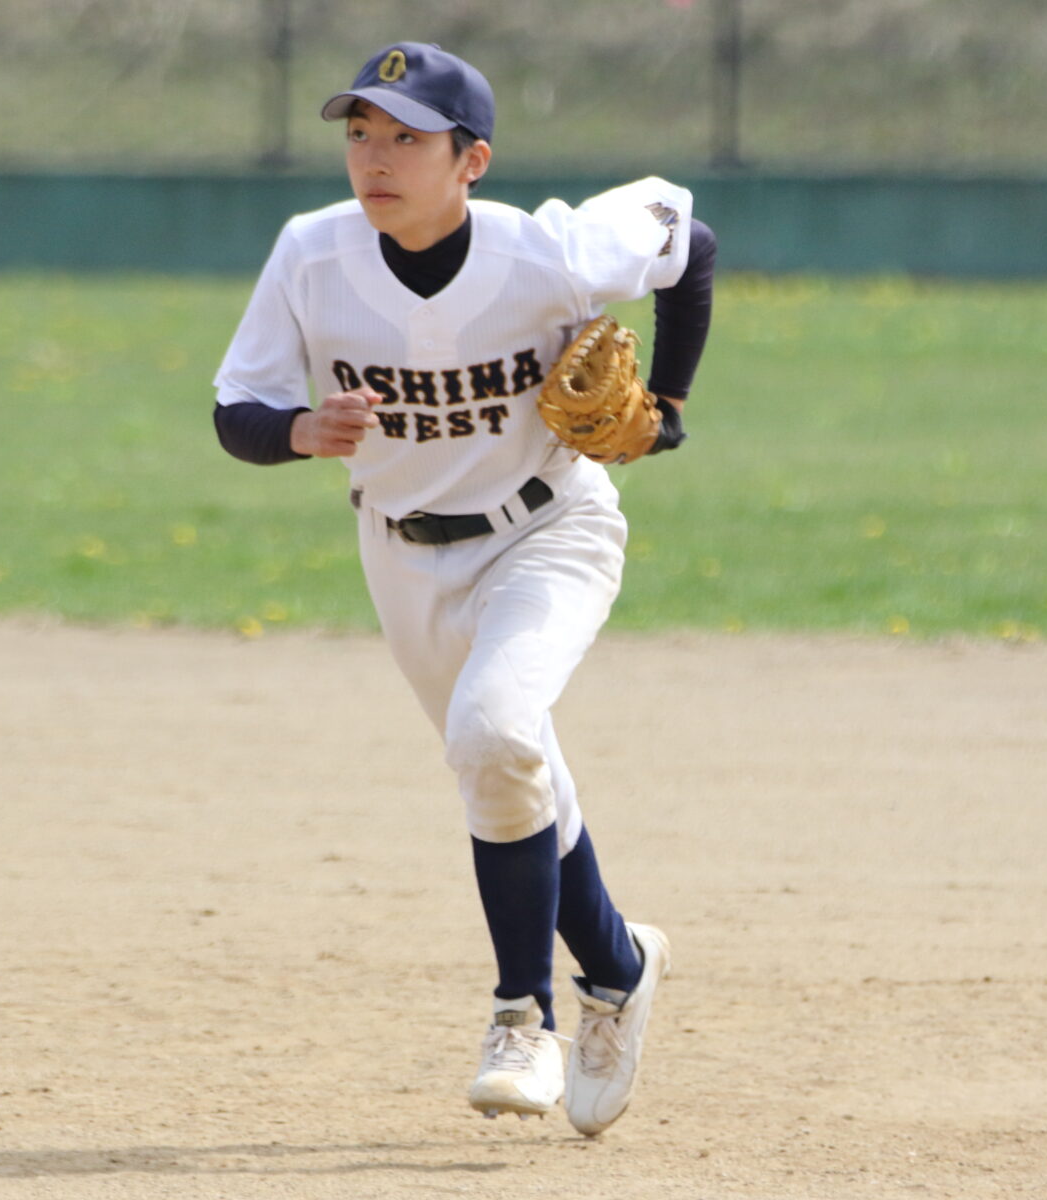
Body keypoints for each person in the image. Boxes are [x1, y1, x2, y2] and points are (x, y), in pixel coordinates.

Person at [212, 41, 715, 1136]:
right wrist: (300, 429)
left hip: (550, 531)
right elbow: (236, 408)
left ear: (471, 159)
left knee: (493, 732)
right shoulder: (312, 254)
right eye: (359, 133)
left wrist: (667, 405)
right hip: (400, 555)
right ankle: (622, 969)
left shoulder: (549, 251)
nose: (374, 157)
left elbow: (689, 235)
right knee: (506, 765)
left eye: (405, 137)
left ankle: (521, 1016)